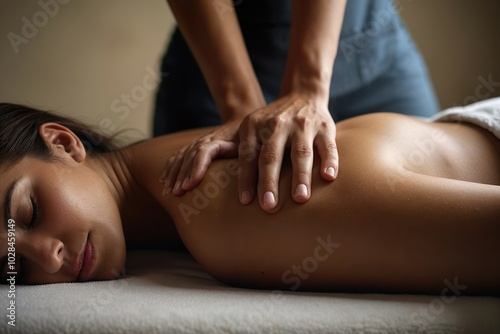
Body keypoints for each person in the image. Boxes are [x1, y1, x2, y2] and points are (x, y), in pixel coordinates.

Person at [0, 100, 498, 295]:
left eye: (28, 211)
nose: (46, 256)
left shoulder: (229, 217)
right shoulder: (172, 165)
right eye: (14, 268)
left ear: (64, 144)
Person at [154, 0, 440, 213]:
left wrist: (309, 85)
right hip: (218, 67)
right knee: (225, 214)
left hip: (368, 42)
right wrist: (239, 107)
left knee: (431, 187)